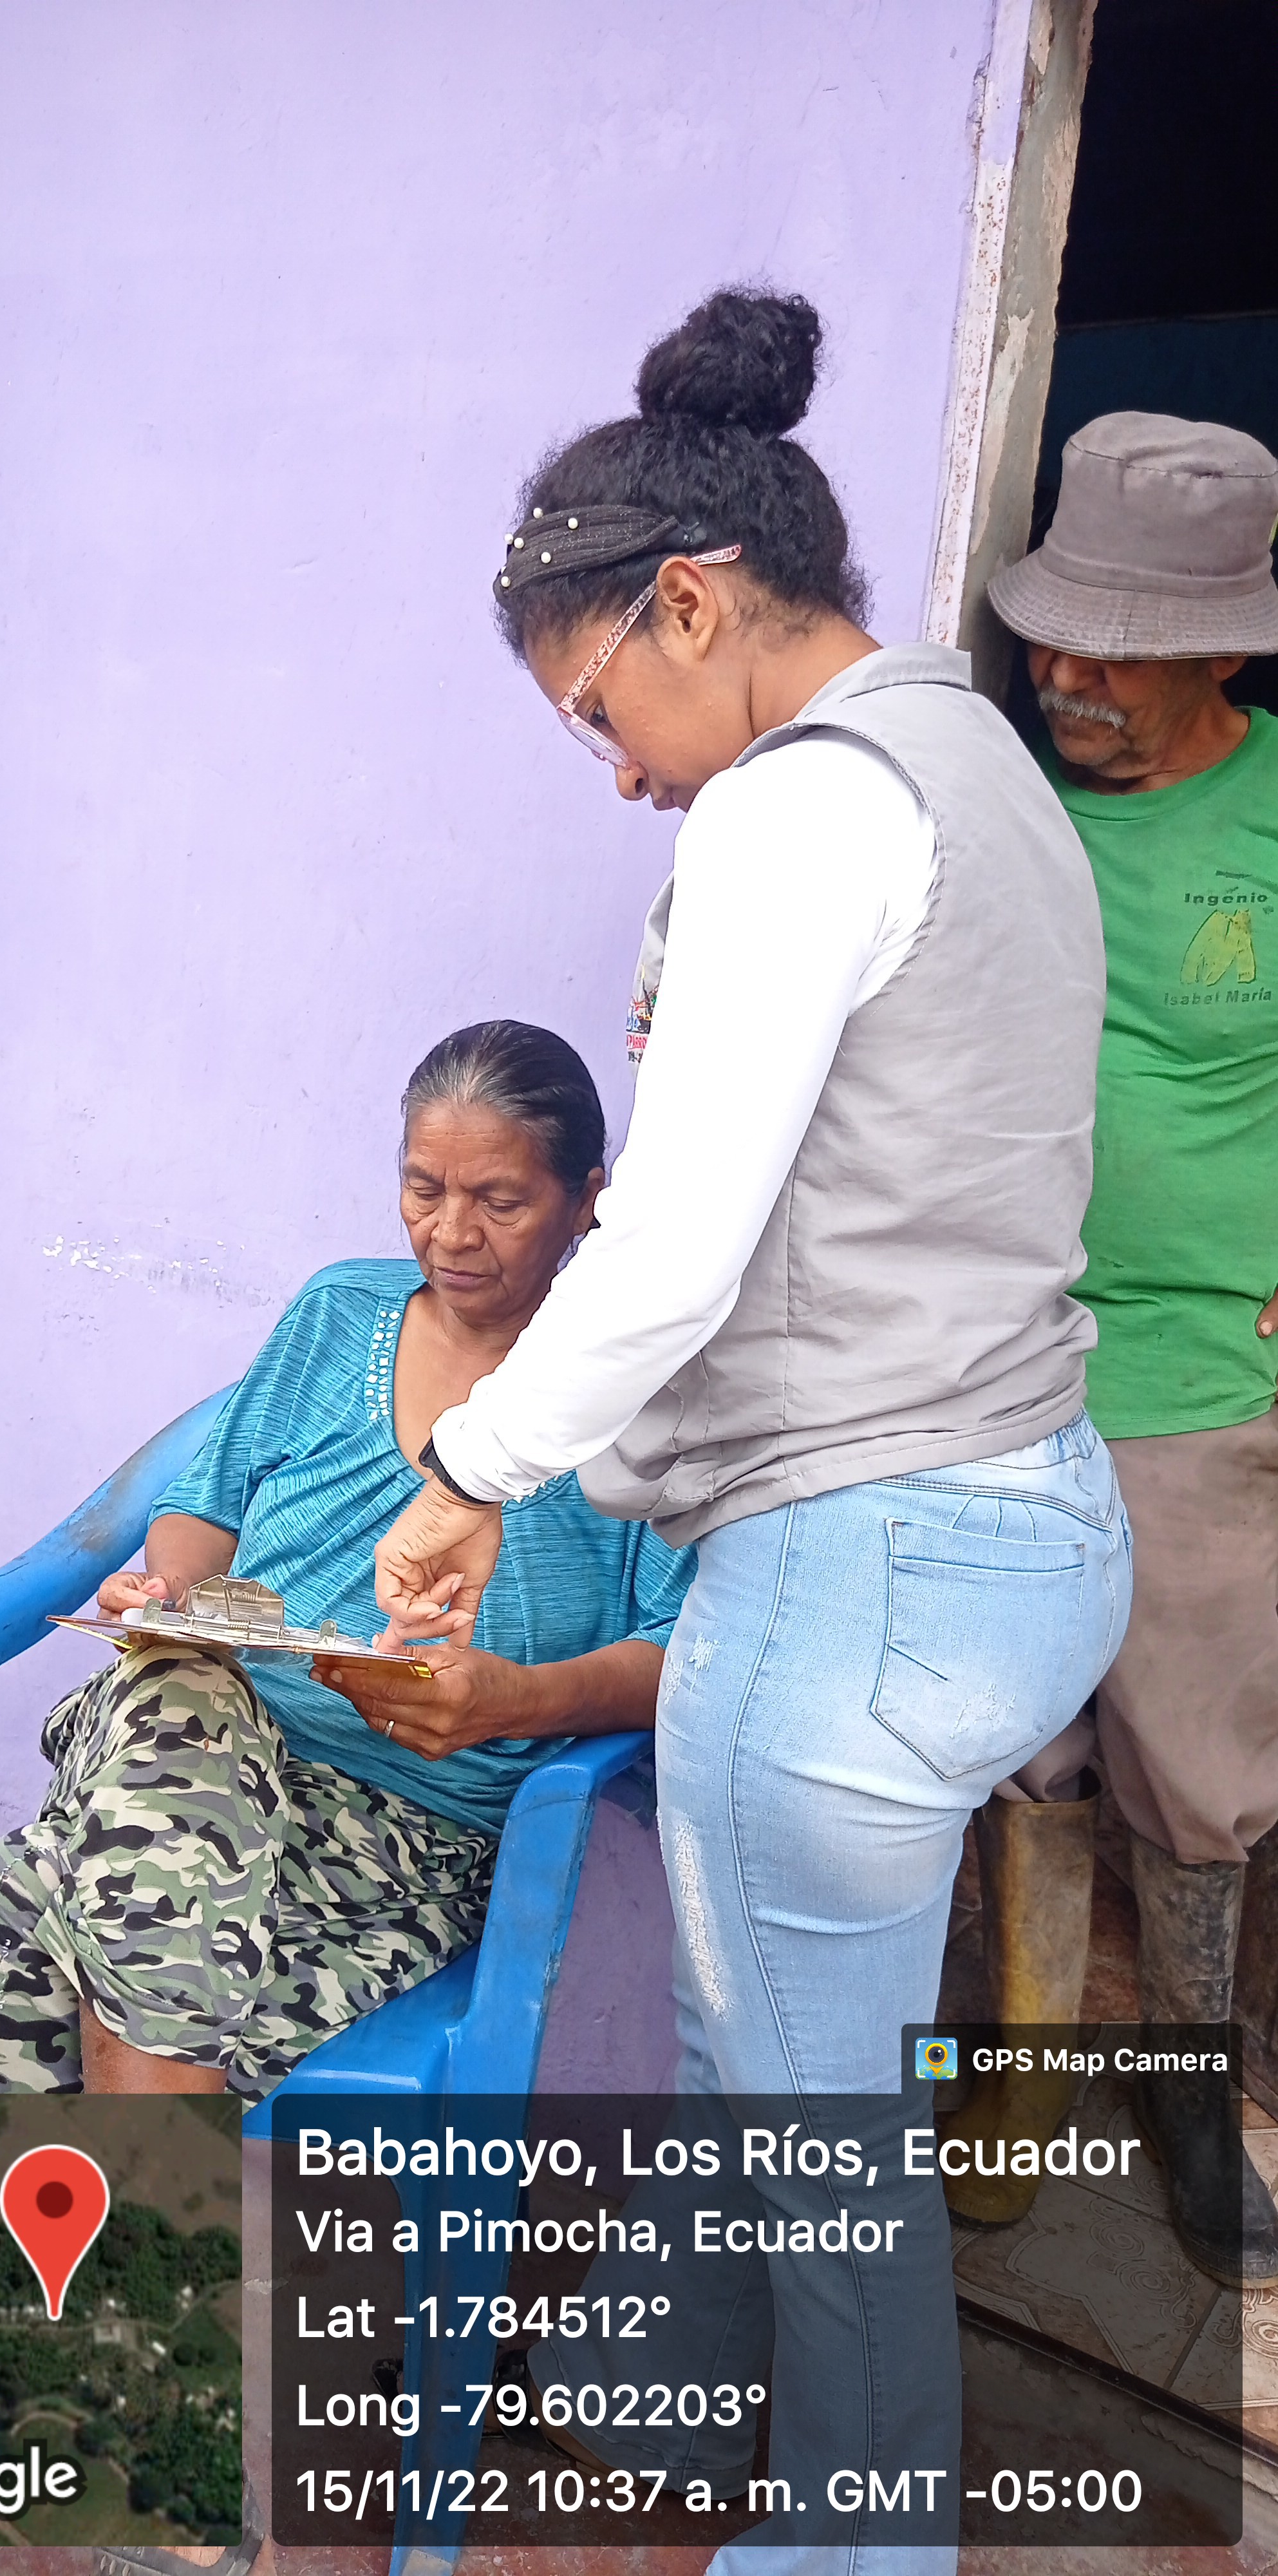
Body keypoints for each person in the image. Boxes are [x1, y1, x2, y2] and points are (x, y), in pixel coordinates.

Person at [370, 289, 1133, 2571]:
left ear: (691, 603)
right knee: (770, 2037)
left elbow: (679, 1241)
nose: (618, 773)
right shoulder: (975, 764)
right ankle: (656, 2375)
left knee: (825, 2159)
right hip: (1016, 1514)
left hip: (859, 1563)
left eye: (601, 708)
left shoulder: (800, 815)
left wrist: (473, 1472)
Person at [0, 1020, 693, 2102]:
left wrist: (513, 1702)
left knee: (24, 1914)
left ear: (584, 1200)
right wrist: (169, 1592)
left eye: (500, 1202)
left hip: (405, 1835)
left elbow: (677, 1653)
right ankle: (151, 2206)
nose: (451, 1233)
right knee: (182, 1697)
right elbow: (202, 1505)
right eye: (423, 1189)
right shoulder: (339, 1314)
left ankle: (71, 2216)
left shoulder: (642, 1397)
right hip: (196, 1737)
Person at [968, 412, 1278, 2284]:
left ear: (1225, 648)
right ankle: (1020, 2077)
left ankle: (1185, 2091)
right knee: (1025, 1743)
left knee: (1197, 1774)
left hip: (1200, 1389)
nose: (1069, 680)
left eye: (1118, 653)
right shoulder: (995, 803)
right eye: (1055, 640)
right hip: (998, 1366)